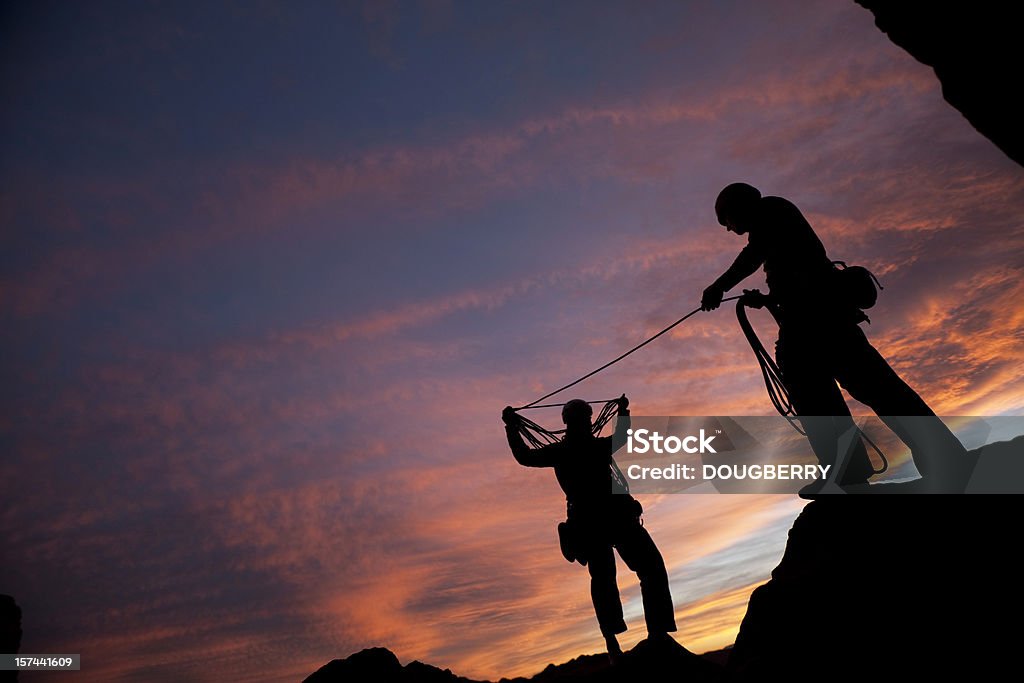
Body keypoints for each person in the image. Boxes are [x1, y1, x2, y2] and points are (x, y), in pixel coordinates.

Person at [701, 183, 971, 493]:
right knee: (872, 388)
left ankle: (850, 470)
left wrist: (719, 285)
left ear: (739, 208)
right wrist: (768, 299)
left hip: (815, 323)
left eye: (729, 222)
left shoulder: (771, 211)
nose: (731, 230)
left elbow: (755, 256)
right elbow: (793, 275)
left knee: (831, 393)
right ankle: (921, 458)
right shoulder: (776, 219)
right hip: (820, 319)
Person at [502, 396, 676, 660]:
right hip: (608, 519)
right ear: (584, 419)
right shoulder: (593, 448)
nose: (585, 423)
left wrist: (511, 427)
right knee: (638, 569)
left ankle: (626, 637)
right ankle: (645, 634)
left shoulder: (565, 451)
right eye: (584, 418)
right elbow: (621, 437)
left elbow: (525, 456)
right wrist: (623, 412)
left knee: (616, 576)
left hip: (596, 522)